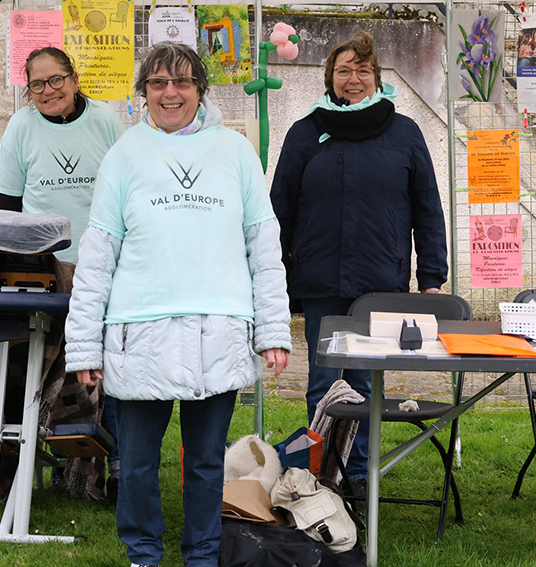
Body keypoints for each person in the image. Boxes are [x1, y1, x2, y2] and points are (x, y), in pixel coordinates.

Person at [64, 42, 291, 567]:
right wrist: (84, 346)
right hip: (138, 332)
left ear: (200, 90)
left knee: (208, 462)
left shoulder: (235, 152)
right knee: (138, 462)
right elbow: (97, 255)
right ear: (144, 91)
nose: (171, 93)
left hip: (219, 326)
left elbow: (264, 245)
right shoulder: (123, 154)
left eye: (182, 82)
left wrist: (274, 329)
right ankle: (142, 553)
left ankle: (202, 554)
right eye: (158, 83)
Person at [270, 31, 448, 499]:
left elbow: (427, 206)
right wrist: (275, 280)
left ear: (376, 77)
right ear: (329, 77)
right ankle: (321, 478)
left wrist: (432, 276)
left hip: (380, 284)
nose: (353, 80)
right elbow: (280, 210)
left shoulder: (405, 132)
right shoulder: (306, 132)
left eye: (362, 71)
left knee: (367, 388)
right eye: (343, 71)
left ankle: (360, 479)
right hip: (320, 282)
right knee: (324, 386)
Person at [0, 46, 125, 499]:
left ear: (74, 78)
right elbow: (4, 207)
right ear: (27, 89)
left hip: (102, 264)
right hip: (41, 269)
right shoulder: (20, 127)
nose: (48, 91)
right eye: (37, 84)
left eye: (56, 80)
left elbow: (127, 191)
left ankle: (105, 467)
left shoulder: (106, 121)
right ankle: (24, 462)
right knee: (41, 368)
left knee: (103, 371)